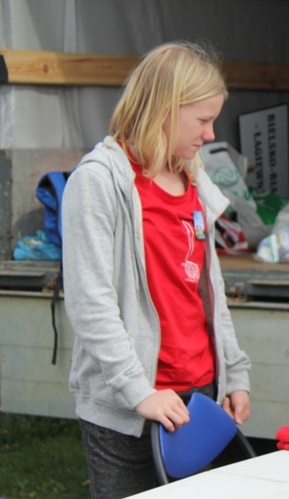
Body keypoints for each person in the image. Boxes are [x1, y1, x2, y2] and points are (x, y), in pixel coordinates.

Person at [61, 41, 252, 498]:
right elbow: (90, 303)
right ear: (164, 109)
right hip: (131, 401)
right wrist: (137, 390)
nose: (210, 135)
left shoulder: (193, 177)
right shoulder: (99, 180)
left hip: (200, 392)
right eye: (203, 120)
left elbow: (210, 292)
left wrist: (234, 373)